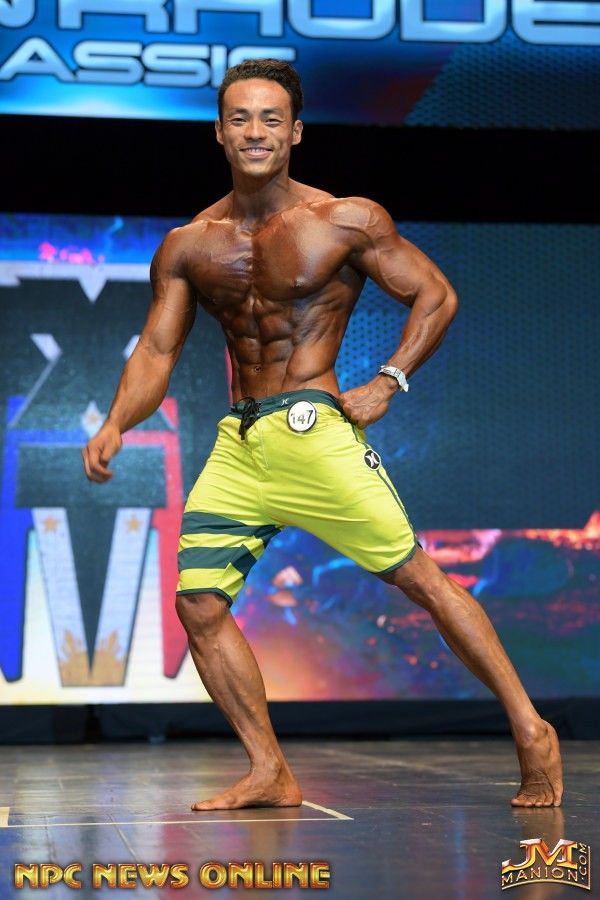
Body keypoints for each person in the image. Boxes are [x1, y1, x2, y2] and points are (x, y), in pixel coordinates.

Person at [82, 59, 563, 811]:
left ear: (296, 132)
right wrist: (117, 421)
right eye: (240, 118)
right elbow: (157, 349)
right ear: (219, 133)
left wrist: (389, 380)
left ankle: (532, 730)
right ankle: (269, 769)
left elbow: (435, 295)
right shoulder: (188, 244)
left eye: (271, 119)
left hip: (314, 431)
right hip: (240, 445)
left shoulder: (345, 220)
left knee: (419, 579)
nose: (255, 132)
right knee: (199, 604)